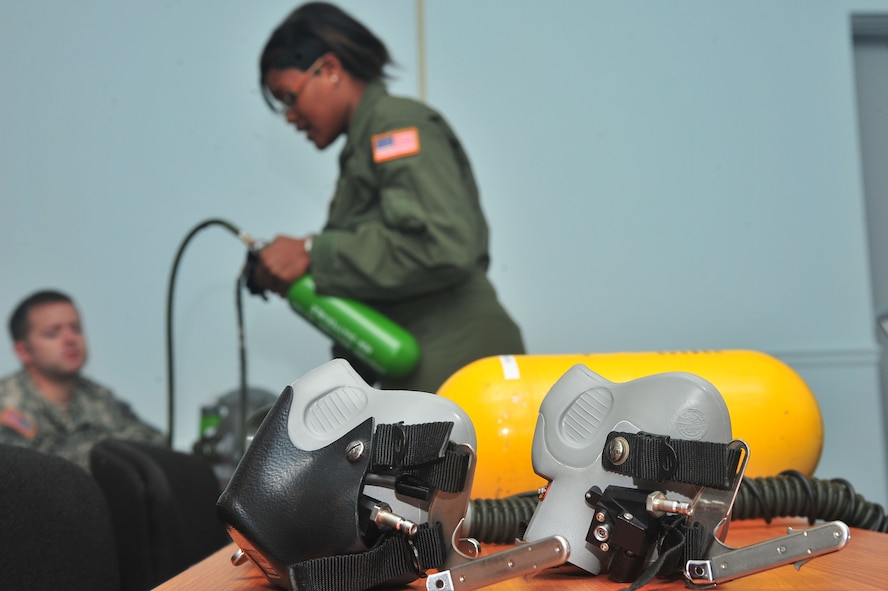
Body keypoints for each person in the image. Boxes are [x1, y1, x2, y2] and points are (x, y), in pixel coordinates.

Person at [251, 2, 525, 392]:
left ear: (329, 70)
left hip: (462, 367)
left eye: (289, 98)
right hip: (427, 368)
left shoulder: (395, 126)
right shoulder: (363, 147)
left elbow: (442, 244)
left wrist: (312, 253)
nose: (289, 117)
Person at [0, 289, 166, 471]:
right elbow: (19, 476)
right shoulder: (7, 404)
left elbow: (156, 444)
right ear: (23, 351)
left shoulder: (99, 397)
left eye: (76, 328)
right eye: (52, 333)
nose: (70, 339)